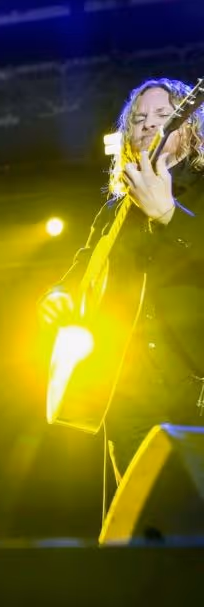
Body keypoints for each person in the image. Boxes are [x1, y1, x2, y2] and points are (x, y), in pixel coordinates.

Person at [40, 77, 204, 483]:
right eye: (139, 118)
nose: (149, 124)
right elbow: (78, 274)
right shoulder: (115, 211)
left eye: (164, 115)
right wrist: (58, 296)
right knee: (143, 527)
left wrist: (169, 215)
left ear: (191, 126)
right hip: (128, 393)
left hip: (194, 386)